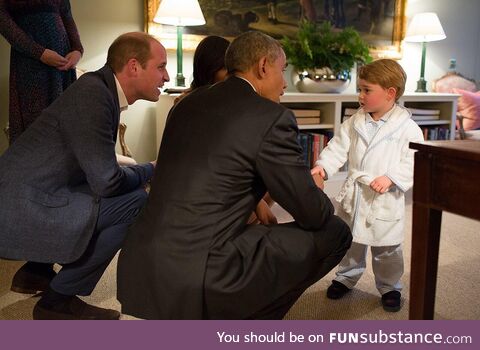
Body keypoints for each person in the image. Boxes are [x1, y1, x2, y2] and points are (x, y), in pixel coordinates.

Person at [117, 31, 352, 320]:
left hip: (140, 261)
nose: (285, 83)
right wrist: (315, 188)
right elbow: (313, 214)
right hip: (202, 272)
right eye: (283, 69)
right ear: (264, 66)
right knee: (336, 231)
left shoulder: (186, 104)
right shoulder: (271, 118)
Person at [0, 32, 170, 320]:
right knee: (136, 202)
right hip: (21, 206)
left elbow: (95, 169)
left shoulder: (98, 89)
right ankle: (57, 301)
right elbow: (107, 182)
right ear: (133, 66)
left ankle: (35, 272)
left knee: (108, 194)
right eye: (161, 66)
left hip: (31, 192)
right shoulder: (94, 95)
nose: (165, 77)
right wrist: (151, 169)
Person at [311, 59, 424, 312]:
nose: (360, 96)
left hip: (384, 197)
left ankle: (390, 286)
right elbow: (337, 147)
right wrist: (323, 167)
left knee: (387, 248)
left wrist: (392, 177)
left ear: (390, 93)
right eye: (359, 89)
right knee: (351, 241)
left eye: (366, 90)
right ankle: (346, 277)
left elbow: (414, 159)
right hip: (356, 194)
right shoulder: (354, 122)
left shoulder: (408, 128)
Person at [0, 0, 83, 144]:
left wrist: (77, 50)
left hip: (63, 67)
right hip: (31, 65)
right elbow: (3, 21)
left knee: (65, 126)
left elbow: (67, 15)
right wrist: (40, 53)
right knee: (36, 128)